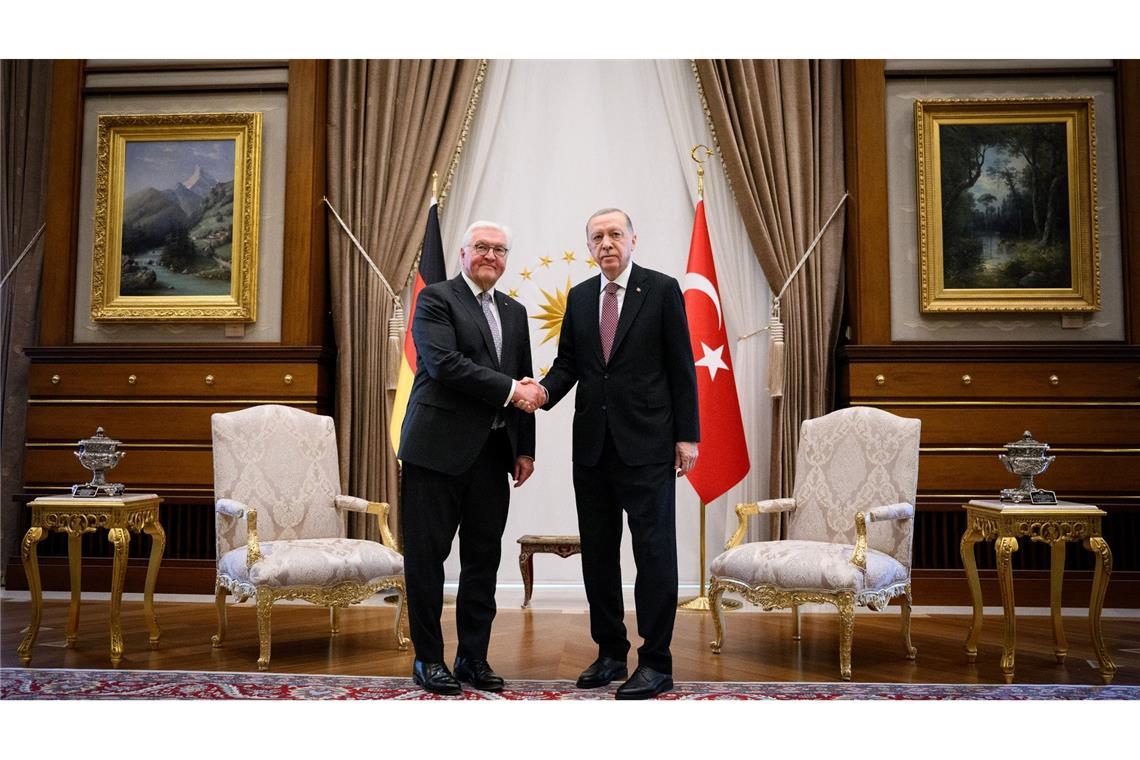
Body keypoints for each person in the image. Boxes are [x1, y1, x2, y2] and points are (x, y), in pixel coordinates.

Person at [533, 208, 699, 699]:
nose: (606, 243)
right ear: (589, 247)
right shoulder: (581, 297)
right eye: (597, 237)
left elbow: (681, 366)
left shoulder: (662, 289)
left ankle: (657, 661)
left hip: (648, 446)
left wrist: (687, 437)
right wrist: (540, 393)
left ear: (632, 240)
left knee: (653, 554)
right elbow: (568, 366)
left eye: (614, 234)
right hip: (592, 450)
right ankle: (609, 651)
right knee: (599, 557)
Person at [398, 220, 545, 695]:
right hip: (435, 453)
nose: (491, 256)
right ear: (463, 254)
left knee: (482, 561)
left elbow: (523, 379)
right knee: (427, 560)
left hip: (492, 456)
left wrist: (524, 448)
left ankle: (472, 658)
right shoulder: (436, 298)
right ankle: (427, 660)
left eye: (500, 250)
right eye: (482, 247)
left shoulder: (515, 311)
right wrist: (510, 390)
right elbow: (444, 364)